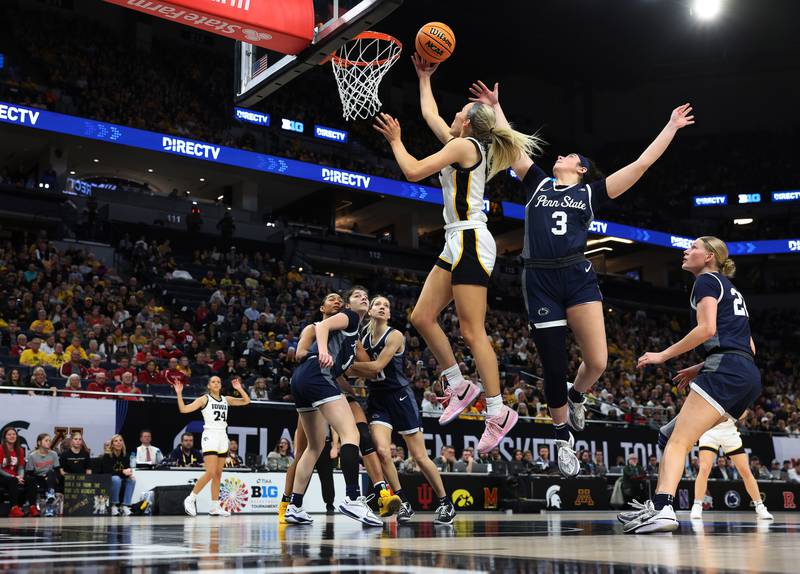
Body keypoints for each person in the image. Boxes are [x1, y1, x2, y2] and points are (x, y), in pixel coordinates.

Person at [469, 80, 694, 477]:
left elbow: (640, 166)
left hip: (576, 275)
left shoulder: (590, 193)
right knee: (553, 365)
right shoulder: (537, 182)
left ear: (581, 169)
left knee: (598, 360)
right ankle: (563, 441)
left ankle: (576, 397)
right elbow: (511, 143)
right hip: (538, 279)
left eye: (570, 155)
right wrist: (495, 106)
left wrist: (671, 127)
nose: (561, 154)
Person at [372, 55, 543, 454]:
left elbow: (413, 171)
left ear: (467, 122)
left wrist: (397, 141)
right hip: (457, 239)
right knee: (421, 316)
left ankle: (499, 411)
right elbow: (429, 110)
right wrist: (423, 77)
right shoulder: (462, 142)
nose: (454, 113)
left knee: (471, 331)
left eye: (460, 111)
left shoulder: (465, 146)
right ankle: (459, 383)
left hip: (470, 239)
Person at [621, 237, 763, 533]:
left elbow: (707, 329)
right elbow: (749, 346)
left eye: (693, 247)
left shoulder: (706, 282)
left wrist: (663, 355)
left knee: (678, 443)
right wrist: (700, 366)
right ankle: (658, 503)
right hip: (746, 375)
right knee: (667, 435)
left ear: (709, 256)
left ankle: (663, 509)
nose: (686, 251)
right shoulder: (731, 288)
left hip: (726, 372)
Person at [279, 293, 397, 524]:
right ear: (347, 305)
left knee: (314, 447)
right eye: (357, 296)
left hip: (302, 380)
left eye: (366, 296)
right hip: (316, 374)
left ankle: (294, 505)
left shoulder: (352, 341)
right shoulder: (350, 317)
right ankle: (353, 498)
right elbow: (321, 326)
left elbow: (342, 368)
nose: (363, 298)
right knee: (350, 434)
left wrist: (348, 390)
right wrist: (322, 350)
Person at [348, 294, 456, 524]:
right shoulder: (362, 337)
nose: (381, 307)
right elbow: (364, 370)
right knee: (382, 451)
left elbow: (376, 367)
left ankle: (446, 502)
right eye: (377, 304)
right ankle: (402, 500)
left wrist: (346, 367)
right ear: (370, 310)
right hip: (378, 399)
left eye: (386, 305)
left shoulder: (395, 335)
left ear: (388, 314)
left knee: (419, 456)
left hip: (400, 397)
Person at [177, 376, 250, 517]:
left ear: (221, 385)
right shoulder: (204, 399)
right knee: (210, 472)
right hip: (210, 435)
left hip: (223, 436)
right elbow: (184, 409)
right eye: (213, 382)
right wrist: (179, 394)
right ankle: (190, 498)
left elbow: (246, 401)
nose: (216, 383)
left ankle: (215, 507)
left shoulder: (225, 399)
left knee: (218, 474)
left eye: (218, 381)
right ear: (209, 386)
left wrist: (240, 389)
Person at [689, 418, 773, 520]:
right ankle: (697, 505)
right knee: (704, 469)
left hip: (729, 431)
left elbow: (744, 411)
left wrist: (739, 413)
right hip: (709, 429)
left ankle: (760, 507)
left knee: (745, 471)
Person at [25, 433, 60, 516]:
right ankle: (48, 500)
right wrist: (41, 476)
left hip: (51, 478)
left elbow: (57, 470)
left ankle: (50, 496)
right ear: (39, 443)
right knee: (33, 479)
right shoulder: (32, 456)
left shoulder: (53, 454)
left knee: (50, 473)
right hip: (38, 478)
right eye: (46, 440)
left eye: (50, 441)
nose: (49, 442)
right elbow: (29, 472)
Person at [100, 434, 135, 516]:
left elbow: (126, 470)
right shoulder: (107, 456)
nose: (118, 443)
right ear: (112, 444)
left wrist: (129, 473)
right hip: (109, 480)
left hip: (120, 479)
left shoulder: (125, 456)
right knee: (116, 478)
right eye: (116, 441)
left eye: (120, 440)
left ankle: (125, 505)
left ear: (123, 443)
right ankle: (113, 505)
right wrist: (123, 472)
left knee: (132, 480)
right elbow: (108, 472)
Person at [0, 426, 32, 516]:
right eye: (9, 434)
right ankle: (14, 507)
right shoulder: (1, 448)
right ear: (5, 437)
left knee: (31, 480)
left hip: (15, 477)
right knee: (13, 480)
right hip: (3, 477)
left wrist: (20, 477)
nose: (12, 436)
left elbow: (21, 468)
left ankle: (32, 507)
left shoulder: (20, 450)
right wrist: (14, 477)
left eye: (14, 434)